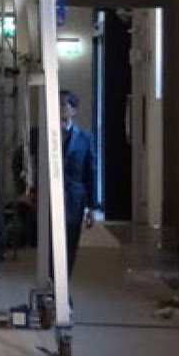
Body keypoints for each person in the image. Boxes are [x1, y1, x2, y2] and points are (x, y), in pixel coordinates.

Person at [59, 90, 98, 276]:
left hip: (73, 198)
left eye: (63, 104)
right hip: (52, 197)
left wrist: (91, 207)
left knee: (70, 242)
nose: (59, 108)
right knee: (50, 242)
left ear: (73, 110)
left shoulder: (85, 138)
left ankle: (64, 282)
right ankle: (51, 280)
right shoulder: (47, 135)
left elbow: (91, 172)